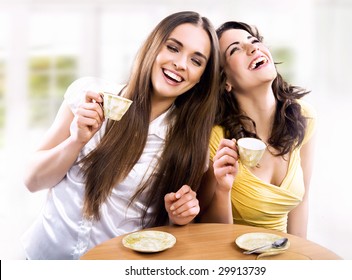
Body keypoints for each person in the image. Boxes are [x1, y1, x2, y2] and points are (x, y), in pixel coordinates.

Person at [22, 11, 221, 259]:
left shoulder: (190, 144)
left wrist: (178, 217)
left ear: (202, 77)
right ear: (153, 46)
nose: (180, 63)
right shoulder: (89, 95)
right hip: (39, 259)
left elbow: (168, 234)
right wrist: (75, 141)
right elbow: (32, 181)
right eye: (173, 48)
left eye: (196, 61)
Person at [198, 21, 316, 239]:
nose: (253, 48)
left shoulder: (304, 118)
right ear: (226, 81)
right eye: (235, 49)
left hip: (282, 255)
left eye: (254, 41)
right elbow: (207, 229)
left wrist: (300, 260)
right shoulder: (215, 139)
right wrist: (223, 190)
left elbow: (302, 202)